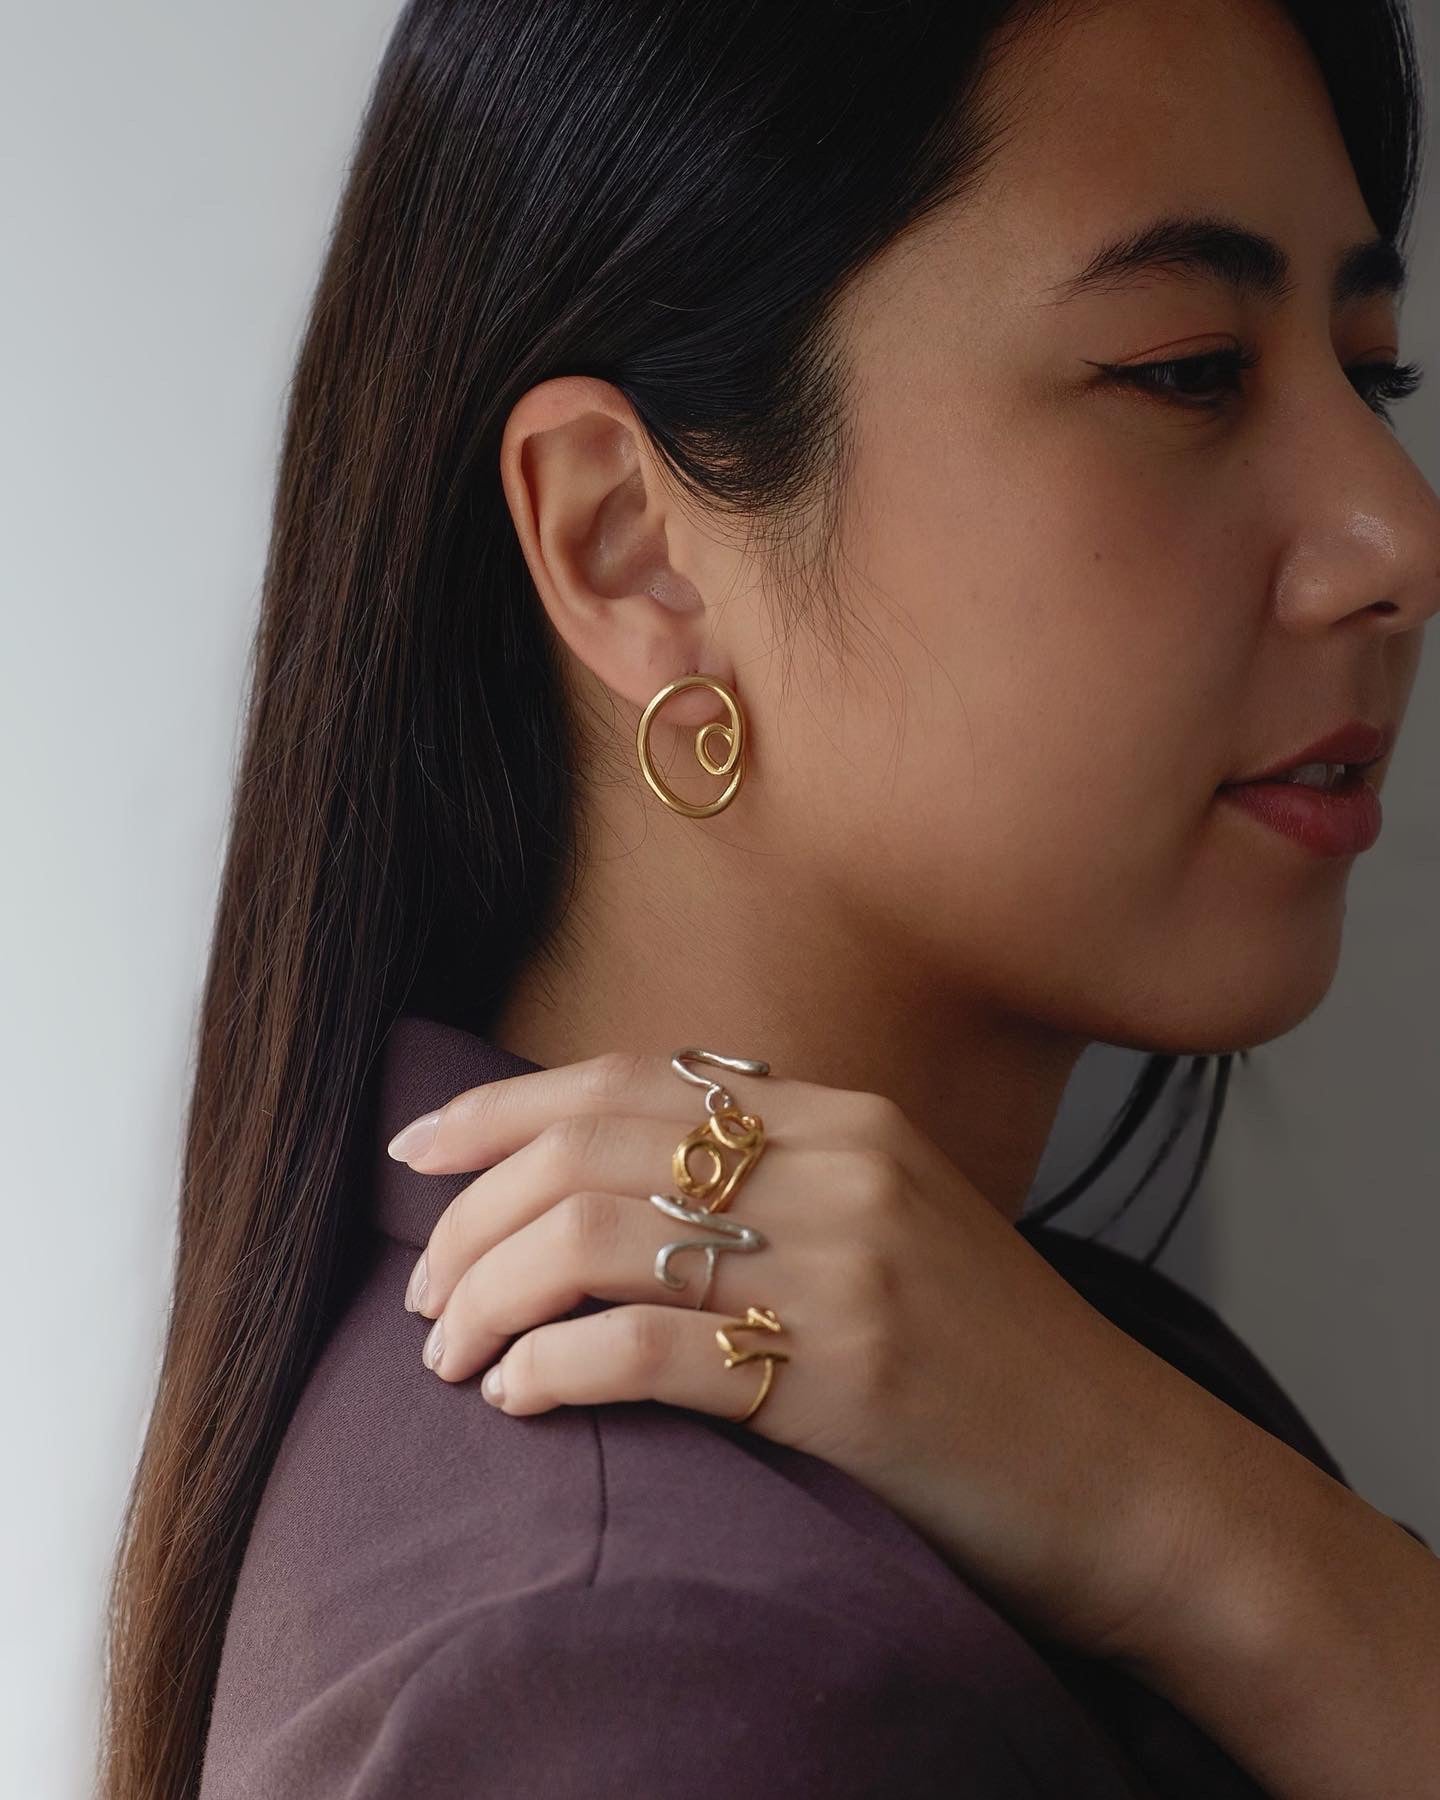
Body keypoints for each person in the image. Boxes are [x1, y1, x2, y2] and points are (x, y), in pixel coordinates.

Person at [100, 1, 1440, 1796]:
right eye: (1189, 369)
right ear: (630, 548)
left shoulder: (1073, 1405)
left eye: (1373, 374)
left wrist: (1196, 1518)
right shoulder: (641, 1681)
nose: (1398, 535)